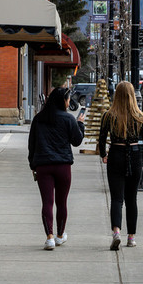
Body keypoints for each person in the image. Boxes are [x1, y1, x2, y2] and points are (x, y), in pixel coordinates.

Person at [28, 87, 85, 250]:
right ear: (62, 101)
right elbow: (77, 141)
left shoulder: (38, 119)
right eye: (68, 100)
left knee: (47, 202)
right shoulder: (68, 119)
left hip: (43, 165)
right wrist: (80, 124)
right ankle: (60, 235)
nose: (69, 102)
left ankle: (50, 237)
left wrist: (33, 164)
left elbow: (31, 144)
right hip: (63, 166)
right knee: (62, 202)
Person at [98, 81, 143, 250]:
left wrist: (103, 155)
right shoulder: (140, 117)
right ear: (132, 96)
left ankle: (116, 232)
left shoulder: (109, 115)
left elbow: (101, 139)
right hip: (135, 155)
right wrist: (142, 162)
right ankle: (131, 237)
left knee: (116, 198)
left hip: (116, 154)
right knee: (132, 199)